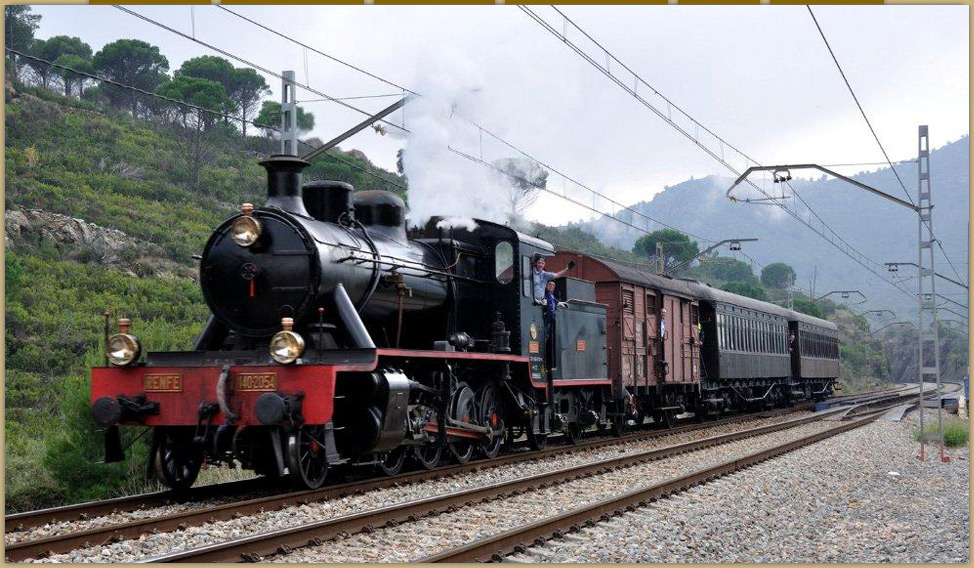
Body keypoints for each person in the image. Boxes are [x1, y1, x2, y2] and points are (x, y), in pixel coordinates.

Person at [543, 280, 568, 370]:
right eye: (549, 284)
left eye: (553, 285)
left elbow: (554, 301)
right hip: (546, 318)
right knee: (544, 336)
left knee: (547, 336)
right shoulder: (544, 293)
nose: (551, 286)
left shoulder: (551, 295)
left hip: (551, 319)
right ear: (546, 285)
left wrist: (560, 303)